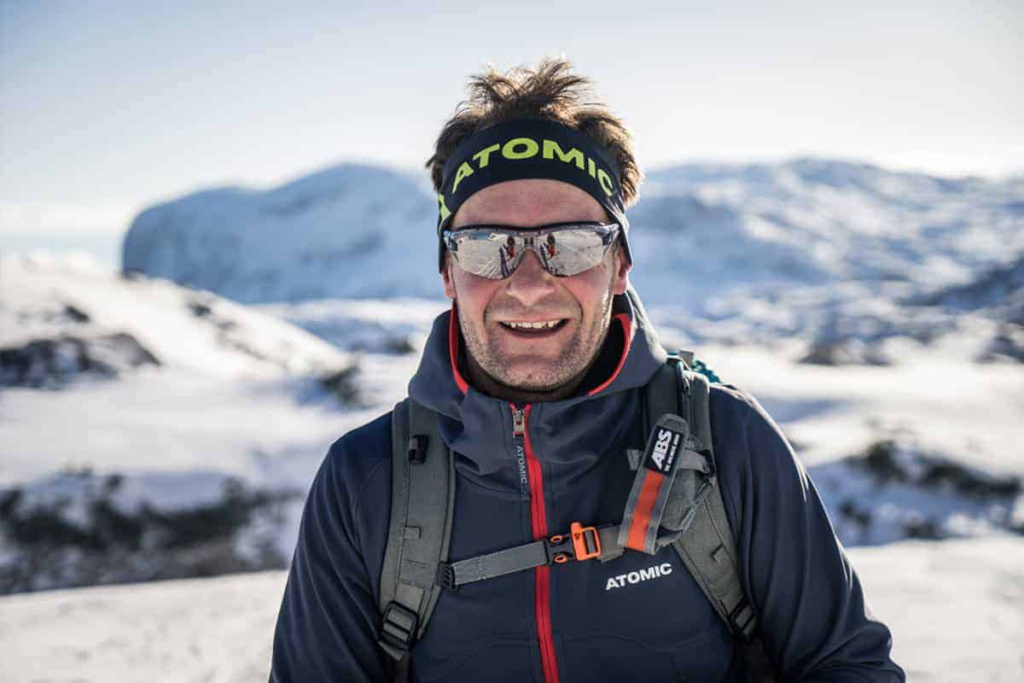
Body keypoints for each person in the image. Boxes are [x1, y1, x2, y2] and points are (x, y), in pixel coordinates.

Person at [270, 58, 904, 682]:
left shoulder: (728, 442)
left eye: (570, 243)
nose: (526, 283)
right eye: (488, 247)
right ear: (447, 272)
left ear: (620, 263)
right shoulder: (366, 481)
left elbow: (847, 666)